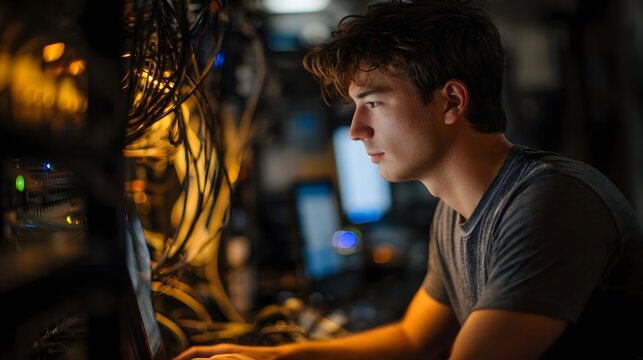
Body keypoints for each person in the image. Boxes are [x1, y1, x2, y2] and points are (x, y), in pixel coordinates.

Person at [175, 0, 643, 359]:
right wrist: (275, 356)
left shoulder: (550, 203)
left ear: (451, 102)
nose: (356, 130)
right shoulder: (456, 211)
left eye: (374, 103)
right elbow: (414, 338)